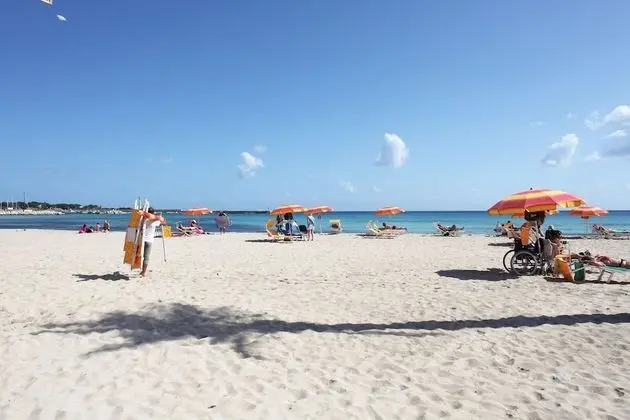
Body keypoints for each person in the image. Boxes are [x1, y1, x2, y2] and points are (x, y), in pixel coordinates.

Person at [140, 207, 161, 278]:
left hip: (141, 239)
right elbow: (163, 222)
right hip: (149, 240)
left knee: (141, 255)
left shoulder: (144, 219)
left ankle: (142, 270)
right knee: (146, 257)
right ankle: (143, 272)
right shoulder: (155, 221)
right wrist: (159, 218)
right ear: (153, 213)